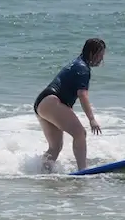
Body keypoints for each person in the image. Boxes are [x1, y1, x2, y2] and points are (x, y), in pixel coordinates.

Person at [34, 37, 105, 172]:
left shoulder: (77, 64)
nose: (101, 60)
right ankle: (83, 171)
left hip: (43, 103)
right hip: (51, 101)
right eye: (100, 55)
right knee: (80, 133)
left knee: (55, 147)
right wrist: (92, 119)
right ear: (92, 54)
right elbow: (82, 94)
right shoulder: (83, 68)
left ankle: (42, 173)